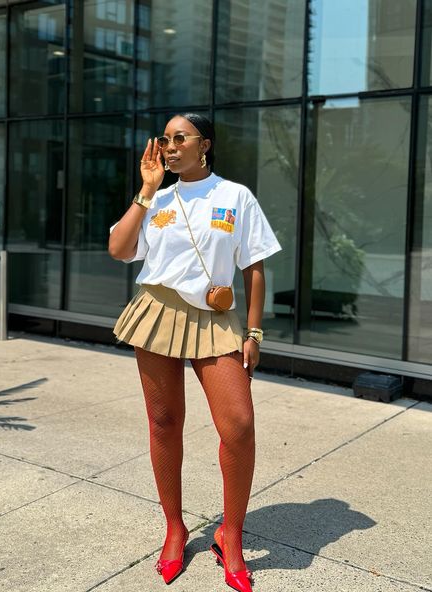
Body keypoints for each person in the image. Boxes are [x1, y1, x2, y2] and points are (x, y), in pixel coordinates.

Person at [108, 113, 281, 592]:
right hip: (156, 310)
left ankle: (230, 534)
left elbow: (255, 267)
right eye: (164, 139)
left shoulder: (235, 196)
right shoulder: (158, 198)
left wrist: (254, 333)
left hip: (214, 318)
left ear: (204, 144)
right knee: (164, 422)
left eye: (179, 138)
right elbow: (120, 250)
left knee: (238, 425)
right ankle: (174, 528)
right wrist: (145, 191)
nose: (169, 146)